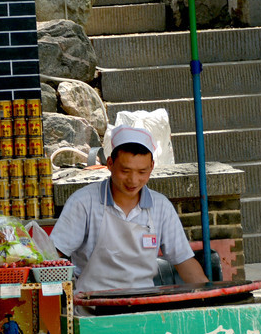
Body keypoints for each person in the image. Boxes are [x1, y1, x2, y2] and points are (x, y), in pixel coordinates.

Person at [50, 126, 207, 295]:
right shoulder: (83, 202)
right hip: (92, 309)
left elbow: (184, 261)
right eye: (125, 171)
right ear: (110, 163)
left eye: (142, 172)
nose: (133, 180)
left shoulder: (161, 207)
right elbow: (53, 256)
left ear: (152, 166)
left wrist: (211, 299)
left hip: (143, 307)